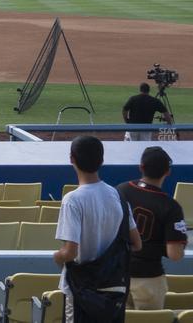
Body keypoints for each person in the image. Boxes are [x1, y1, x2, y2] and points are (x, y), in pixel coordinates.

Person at [54, 136, 142, 323]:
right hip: (114, 288)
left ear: (72, 159)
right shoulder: (118, 196)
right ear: (101, 160)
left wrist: (58, 256)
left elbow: (70, 252)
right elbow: (136, 244)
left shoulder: (72, 200)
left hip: (81, 290)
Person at [116, 146, 186, 311]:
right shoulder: (171, 206)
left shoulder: (120, 190)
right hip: (149, 279)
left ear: (141, 167)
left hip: (117, 276)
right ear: (167, 172)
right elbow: (175, 254)